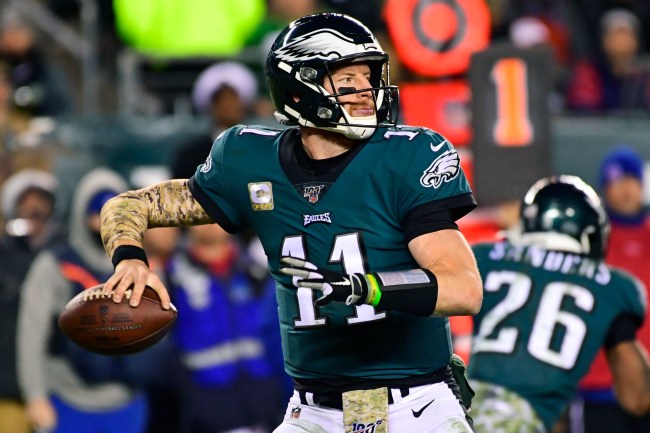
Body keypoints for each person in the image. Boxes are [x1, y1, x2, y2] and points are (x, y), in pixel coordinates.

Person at [100, 12, 482, 433]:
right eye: (348, 80)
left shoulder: (407, 156)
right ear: (299, 90)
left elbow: (462, 288)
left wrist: (363, 287)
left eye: (369, 77)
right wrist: (130, 259)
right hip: (314, 412)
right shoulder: (248, 160)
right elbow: (129, 205)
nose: (366, 92)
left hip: (417, 404)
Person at [467, 175, 650, 433]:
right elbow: (637, 400)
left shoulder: (486, 258)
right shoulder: (609, 287)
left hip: (464, 415)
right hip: (523, 421)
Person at [16, 167, 149, 433]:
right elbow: (31, 334)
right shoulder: (55, 265)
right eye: (96, 211)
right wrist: (35, 396)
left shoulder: (138, 264)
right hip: (68, 400)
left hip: (126, 399)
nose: (102, 222)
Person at [165, 223, 287, 432]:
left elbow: (277, 336)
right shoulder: (172, 274)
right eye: (202, 213)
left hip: (266, 404)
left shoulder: (255, 268)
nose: (210, 222)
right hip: (205, 411)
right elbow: (167, 347)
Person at [572, 146, 650, 433]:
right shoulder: (587, 240)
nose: (626, 189)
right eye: (617, 182)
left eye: (631, 180)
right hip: (598, 384)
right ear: (605, 189)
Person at [0, 168, 63, 433]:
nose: (34, 212)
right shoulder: (3, 258)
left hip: (57, 390)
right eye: (26, 205)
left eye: (41, 206)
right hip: (9, 389)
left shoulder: (62, 257)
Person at [170, 61, 261, 179]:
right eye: (221, 100)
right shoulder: (190, 154)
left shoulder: (258, 149)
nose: (228, 106)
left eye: (233, 100)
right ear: (212, 106)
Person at [565, 8, 650, 114]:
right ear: (604, 39)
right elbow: (583, 111)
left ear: (636, 41)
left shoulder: (643, 75)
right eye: (616, 34)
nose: (621, 41)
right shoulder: (589, 72)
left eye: (627, 34)